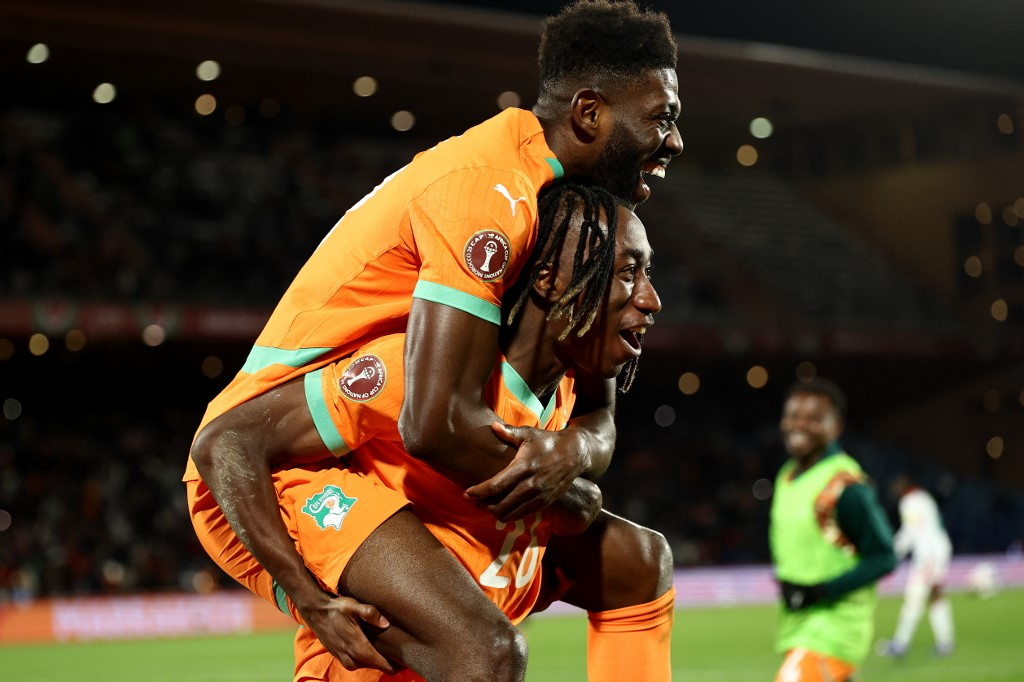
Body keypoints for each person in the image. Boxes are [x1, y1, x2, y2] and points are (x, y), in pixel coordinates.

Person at [185, 0, 680, 670]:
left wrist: (573, 448)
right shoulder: (493, 195)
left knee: (633, 562)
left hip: (373, 439)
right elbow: (437, 423)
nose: (675, 142)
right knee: (483, 652)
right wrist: (570, 494)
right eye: (662, 118)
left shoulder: (566, 216)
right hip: (280, 463)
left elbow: (596, 417)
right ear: (589, 114)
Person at [768, 378, 898, 682]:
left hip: (834, 627)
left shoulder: (844, 486)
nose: (799, 425)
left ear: (836, 427)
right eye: (793, 416)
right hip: (795, 622)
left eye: (813, 418)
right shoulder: (787, 475)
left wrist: (823, 591)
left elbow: (884, 557)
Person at [877, 473, 956, 658]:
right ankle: (946, 642)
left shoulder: (909, 502)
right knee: (935, 595)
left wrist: (894, 552)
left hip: (928, 555)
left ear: (902, 489)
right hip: (940, 549)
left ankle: (900, 644)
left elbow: (910, 531)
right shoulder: (924, 497)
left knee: (914, 597)